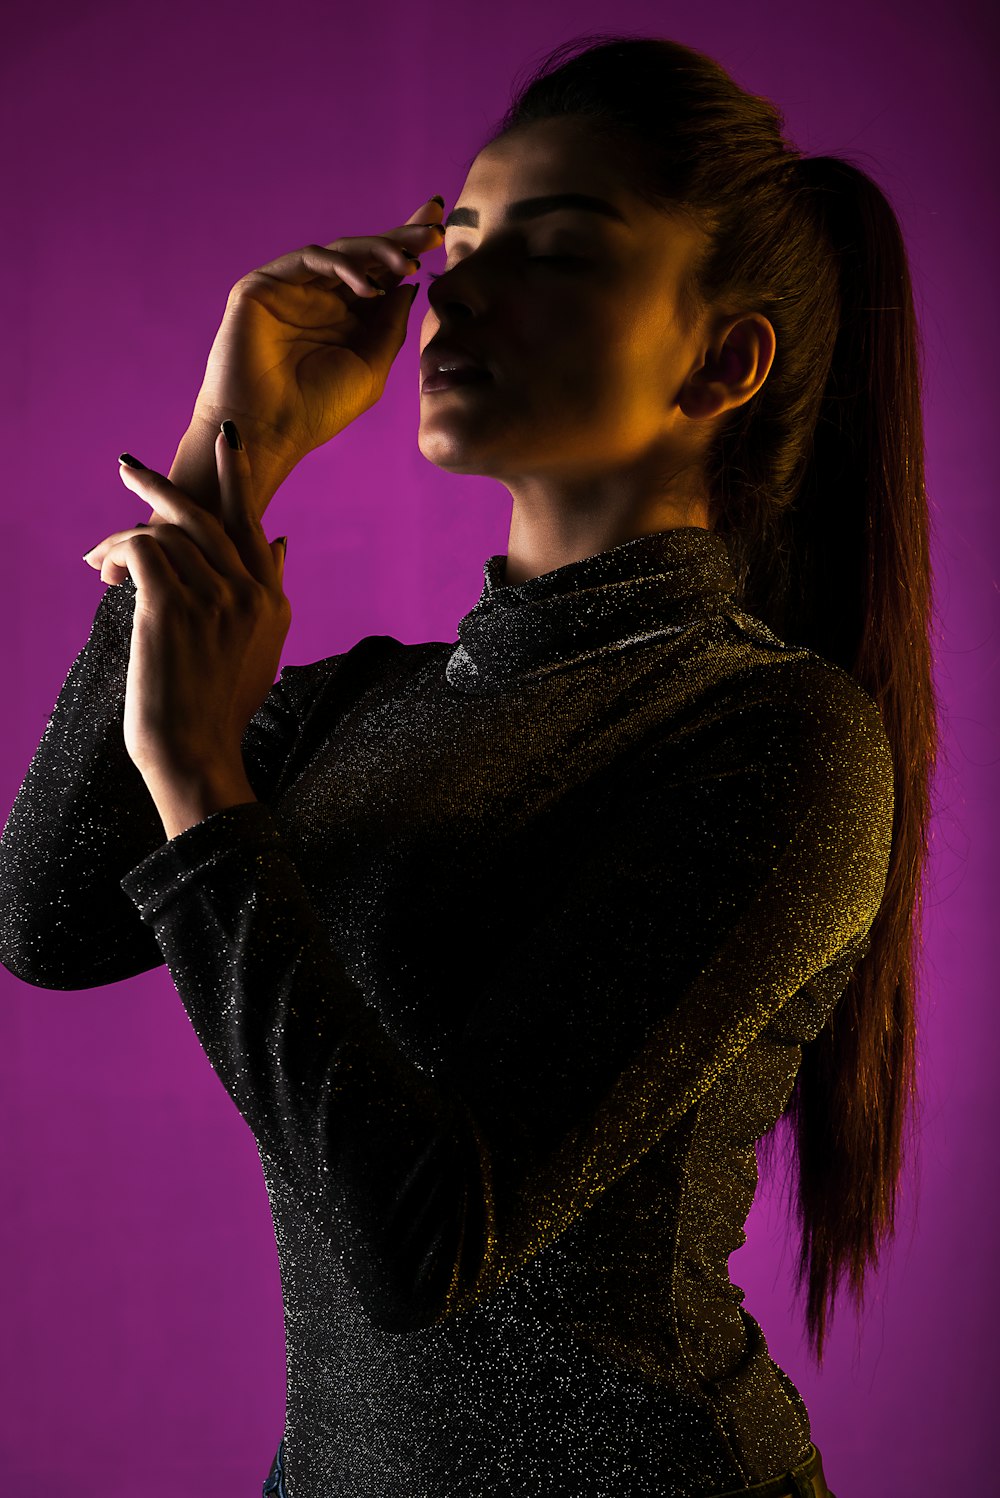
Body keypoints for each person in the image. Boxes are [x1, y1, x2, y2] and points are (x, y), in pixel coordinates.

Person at [0, 30, 936, 1498]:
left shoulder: (783, 741)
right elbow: (45, 921)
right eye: (466, 240)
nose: (463, 290)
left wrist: (196, 768)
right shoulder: (362, 706)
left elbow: (426, 1240)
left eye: (556, 251)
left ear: (724, 357)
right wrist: (225, 434)